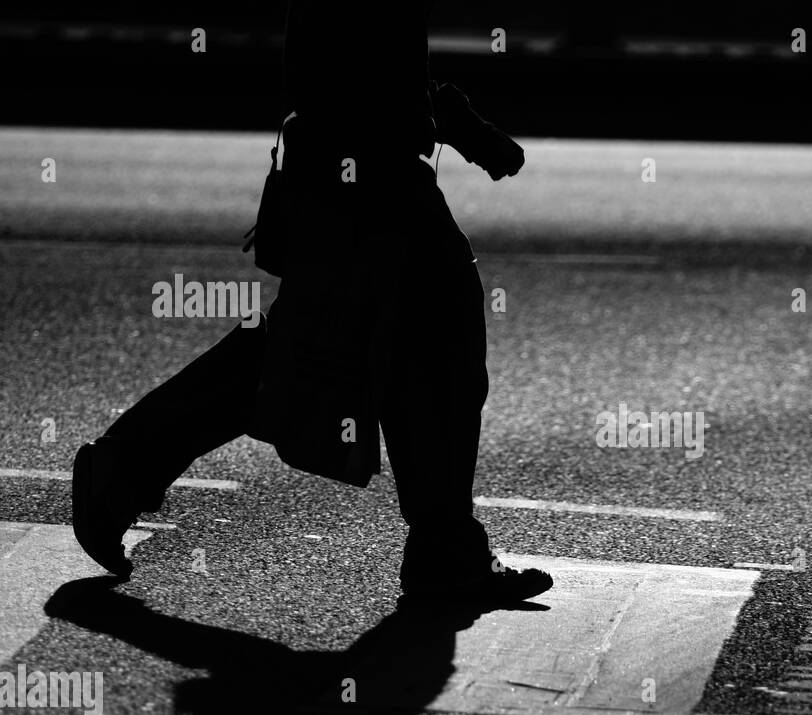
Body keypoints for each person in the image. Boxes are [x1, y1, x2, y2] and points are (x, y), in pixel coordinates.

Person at [72, 1, 553, 607]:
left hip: (358, 171)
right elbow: (345, 58)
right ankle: (443, 547)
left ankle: (121, 472)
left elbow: (361, 56)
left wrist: (438, 116)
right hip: (361, 177)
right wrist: (431, 120)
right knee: (389, 346)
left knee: (337, 351)